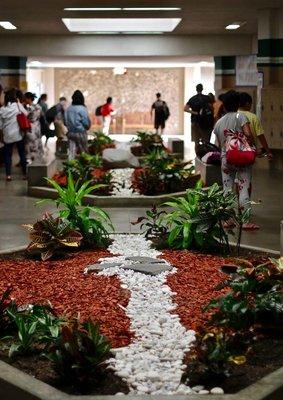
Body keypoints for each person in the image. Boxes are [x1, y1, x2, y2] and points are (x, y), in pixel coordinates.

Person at [213, 90, 258, 230]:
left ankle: (228, 220)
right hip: (242, 159)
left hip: (226, 159)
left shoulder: (219, 122)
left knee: (227, 189)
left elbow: (218, 144)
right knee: (243, 188)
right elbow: (248, 134)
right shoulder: (241, 116)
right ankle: (245, 222)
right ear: (238, 103)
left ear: (224, 105)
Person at [0, 89, 27, 181]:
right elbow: (26, 114)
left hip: (7, 135)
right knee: (22, 153)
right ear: (14, 97)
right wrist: (19, 103)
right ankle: (24, 174)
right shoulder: (17, 106)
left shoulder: (2, 109)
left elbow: (0, 125)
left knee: (7, 155)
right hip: (18, 135)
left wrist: (2, 135)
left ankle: (8, 175)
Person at [238, 92, 273, 160]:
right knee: (246, 170)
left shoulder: (233, 115)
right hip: (248, 152)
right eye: (251, 104)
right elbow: (260, 136)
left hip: (233, 152)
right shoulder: (253, 117)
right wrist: (268, 151)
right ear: (247, 103)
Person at [184, 83, 214, 151]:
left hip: (195, 122)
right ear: (202, 89)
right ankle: (205, 156)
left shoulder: (192, 99)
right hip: (206, 123)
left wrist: (195, 113)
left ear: (196, 89)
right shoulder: (207, 98)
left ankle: (197, 156)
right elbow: (212, 109)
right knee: (206, 141)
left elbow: (185, 109)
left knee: (196, 142)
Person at [65, 90, 90, 160]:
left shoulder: (68, 109)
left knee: (71, 153)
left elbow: (65, 122)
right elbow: (86, 123)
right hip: (80, 133)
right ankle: (84, 169)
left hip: (70, 133)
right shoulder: (82, 108)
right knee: (84, 152)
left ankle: (71, 168)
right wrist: (87, 127)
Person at [24, 92, 44, 162]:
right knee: (37, 142)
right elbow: (41, 115)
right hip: (38, 126)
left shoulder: (29, 108)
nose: (24, 100)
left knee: (30, 143)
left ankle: (31, 160)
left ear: (29, 99)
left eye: (25, 98)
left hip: (31, 127)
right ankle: (38, 159)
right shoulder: (39, 107)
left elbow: (25, 115)